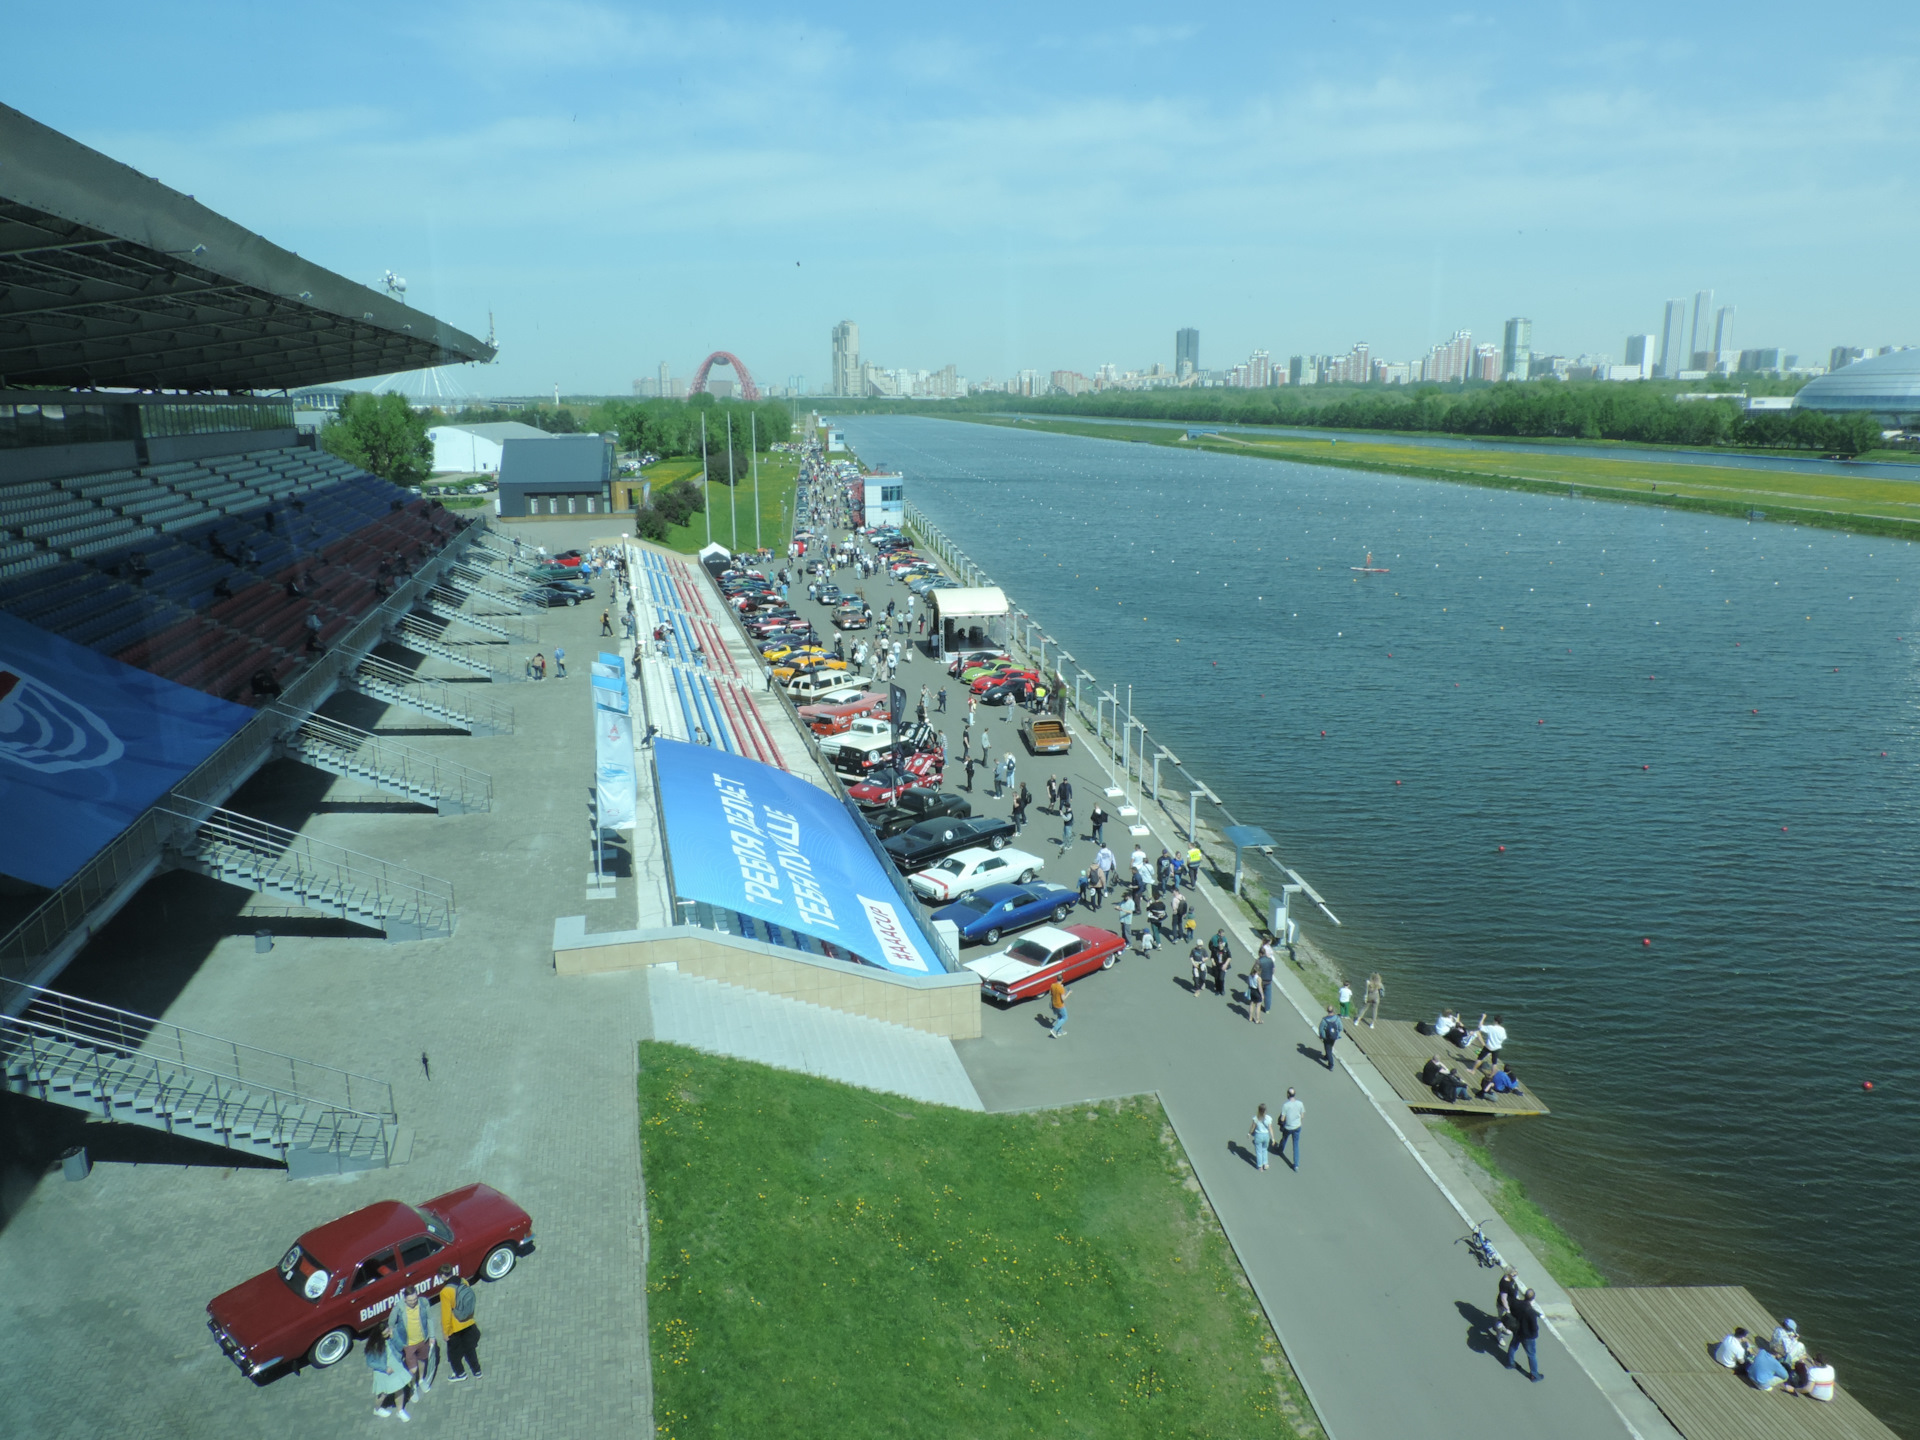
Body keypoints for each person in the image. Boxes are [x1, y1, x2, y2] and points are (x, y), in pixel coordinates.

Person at [394, 1285, 442, 1395]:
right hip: (408, 1344)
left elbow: (429, 1319)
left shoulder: (423, 1303)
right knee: (412, 1369)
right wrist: (399, 1344)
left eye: (415, 1299)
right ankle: (413, 1387)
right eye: (410, 1300)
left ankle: (421, 1380)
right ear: (405, 1299)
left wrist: (432, 1336)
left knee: (422, 1360)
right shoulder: (398, 1309)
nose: (413, 1302)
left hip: (422, 1340)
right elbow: (392, 1327)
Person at [437, 1265, 483, 1380]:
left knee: (453, 1355)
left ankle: (460, 1374)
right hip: (468, 1321)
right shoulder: (462, 1281)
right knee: (470, 1349)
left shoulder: (445, 1292)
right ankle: (477, 1371)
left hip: (455, 1327)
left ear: (442, 1276)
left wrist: (445, 1332)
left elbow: (446, 1315)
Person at [368, 1318, 416, 1420]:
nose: (387, 1335)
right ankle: (377, 1409)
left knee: (399, 1388)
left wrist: (394, 1337)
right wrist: (385, 1368)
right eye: (385, 1334)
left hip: (395, 1365)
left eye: (388, 1332)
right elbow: (370, 1362)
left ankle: (400, 1410)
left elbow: (400, 1347)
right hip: (383, 1370)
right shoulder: (373, 1345)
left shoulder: (391, 1336)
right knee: (383, 1394)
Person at [1506, 1289, 1543, 1381]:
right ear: (1533, 1299)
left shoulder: (1516, 1303)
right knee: (1531, 1355)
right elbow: (1534, 1328)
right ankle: (1534, 1374)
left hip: (1517, 1330)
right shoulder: (1531, 1313)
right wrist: (1535, 1335)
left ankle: (1510, 1363)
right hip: (1527, 1336)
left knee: (1513, 1346)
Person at [1276, 1088, 1303, 1169]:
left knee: (1284, 1138)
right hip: (1297, 1127)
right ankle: (1296, 1165)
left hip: (1288, 1127)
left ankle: (1280, 1150)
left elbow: (1282, 1119)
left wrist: (1281, 1124)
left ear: (1288, 1094)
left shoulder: (1286, 1105)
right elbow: (1302, 1116)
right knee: (1296, 1145)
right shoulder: (1300, 1104)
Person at [1256, 941, 1277, 1018]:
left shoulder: (1259, 961)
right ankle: (1267, 1009)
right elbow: (1274, 969)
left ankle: (1257, 1004)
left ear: (1260, 953)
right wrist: (1271, 974)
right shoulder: (1270, 960)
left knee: (1259, 992)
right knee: (1268, 995)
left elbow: (1256, 971)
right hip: (1268, 979)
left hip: (1261, 980)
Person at [1249, 1103, 1272, 1171]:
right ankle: (1265, 1164)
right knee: (1264, 1149)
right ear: (1265, 1110)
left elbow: (1253, 1127)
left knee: (1259, 1151)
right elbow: (1270, 1128)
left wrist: (1249, 1133)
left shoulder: (1256, 1118)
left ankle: (1260, 1166)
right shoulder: (1268, 1118)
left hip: (1258, 1135)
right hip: (1266, 1136)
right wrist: (1273, 1138)